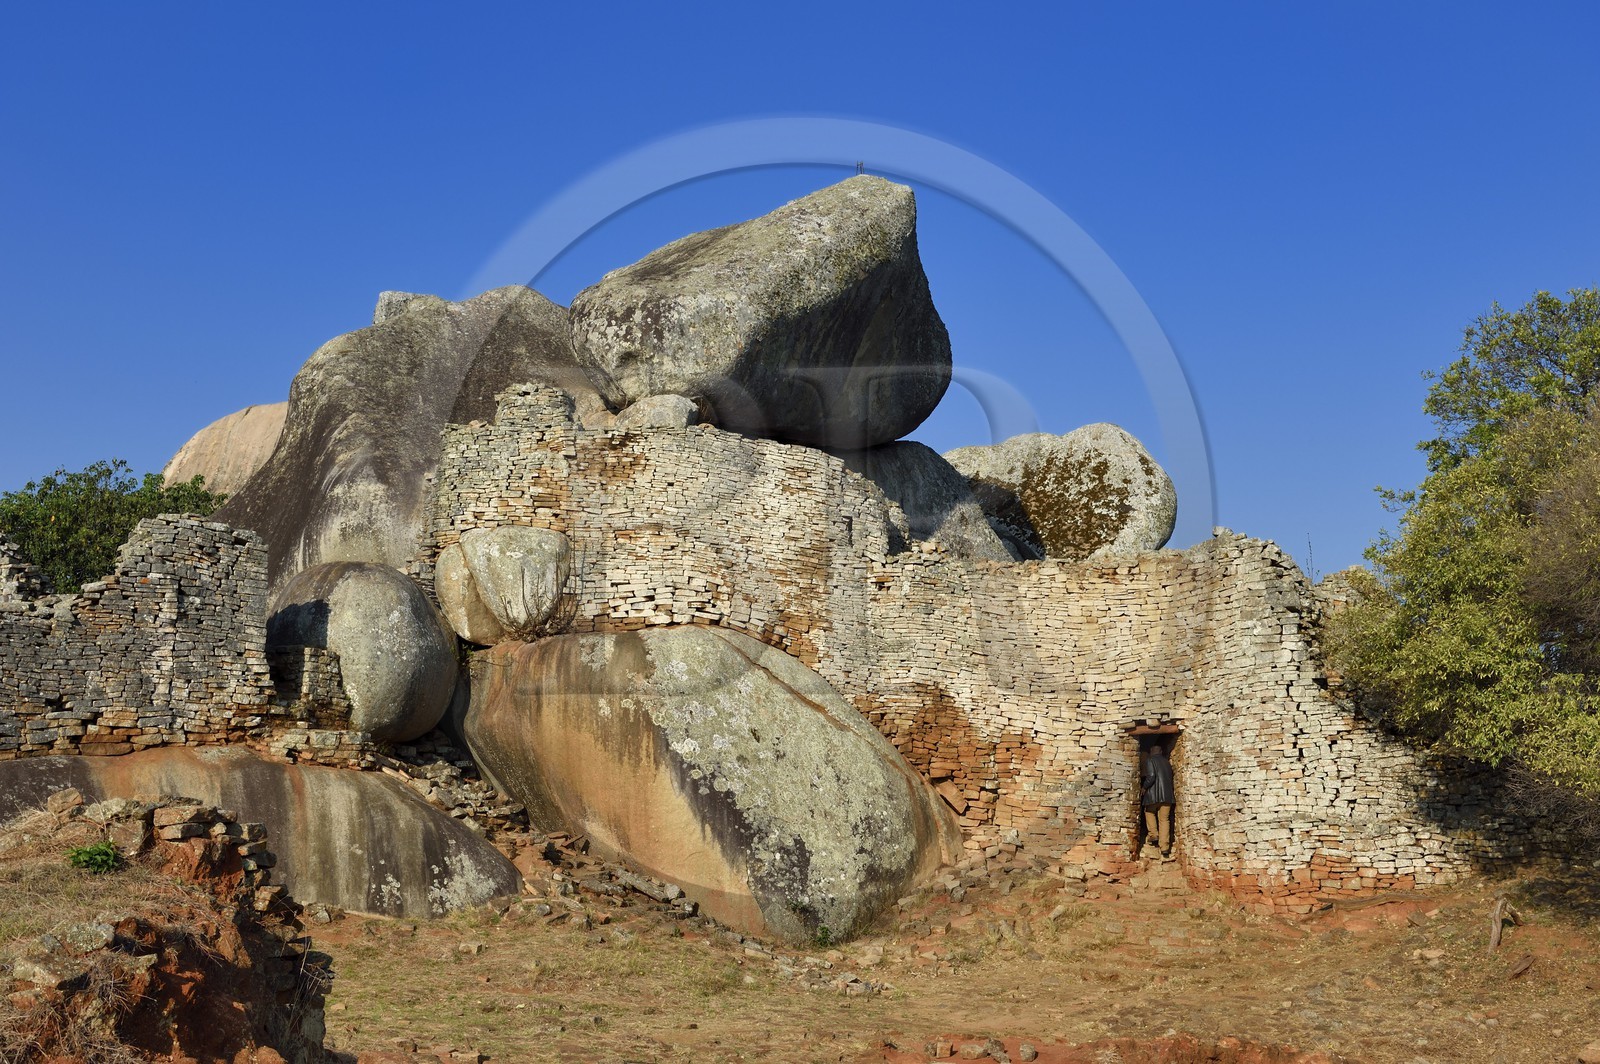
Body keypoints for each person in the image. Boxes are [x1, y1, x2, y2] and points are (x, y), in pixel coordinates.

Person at [1141, 742, 1175, 859]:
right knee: (1164, 820)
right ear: (1161, 752)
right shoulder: (1167, 763)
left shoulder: (1150, 760)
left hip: (1153, 795)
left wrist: (1144, 787)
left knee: (1149, 812)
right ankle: (1165, 847)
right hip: (1167, 796)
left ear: (1151, 752)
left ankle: (1153, 835)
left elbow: (1151, 776)